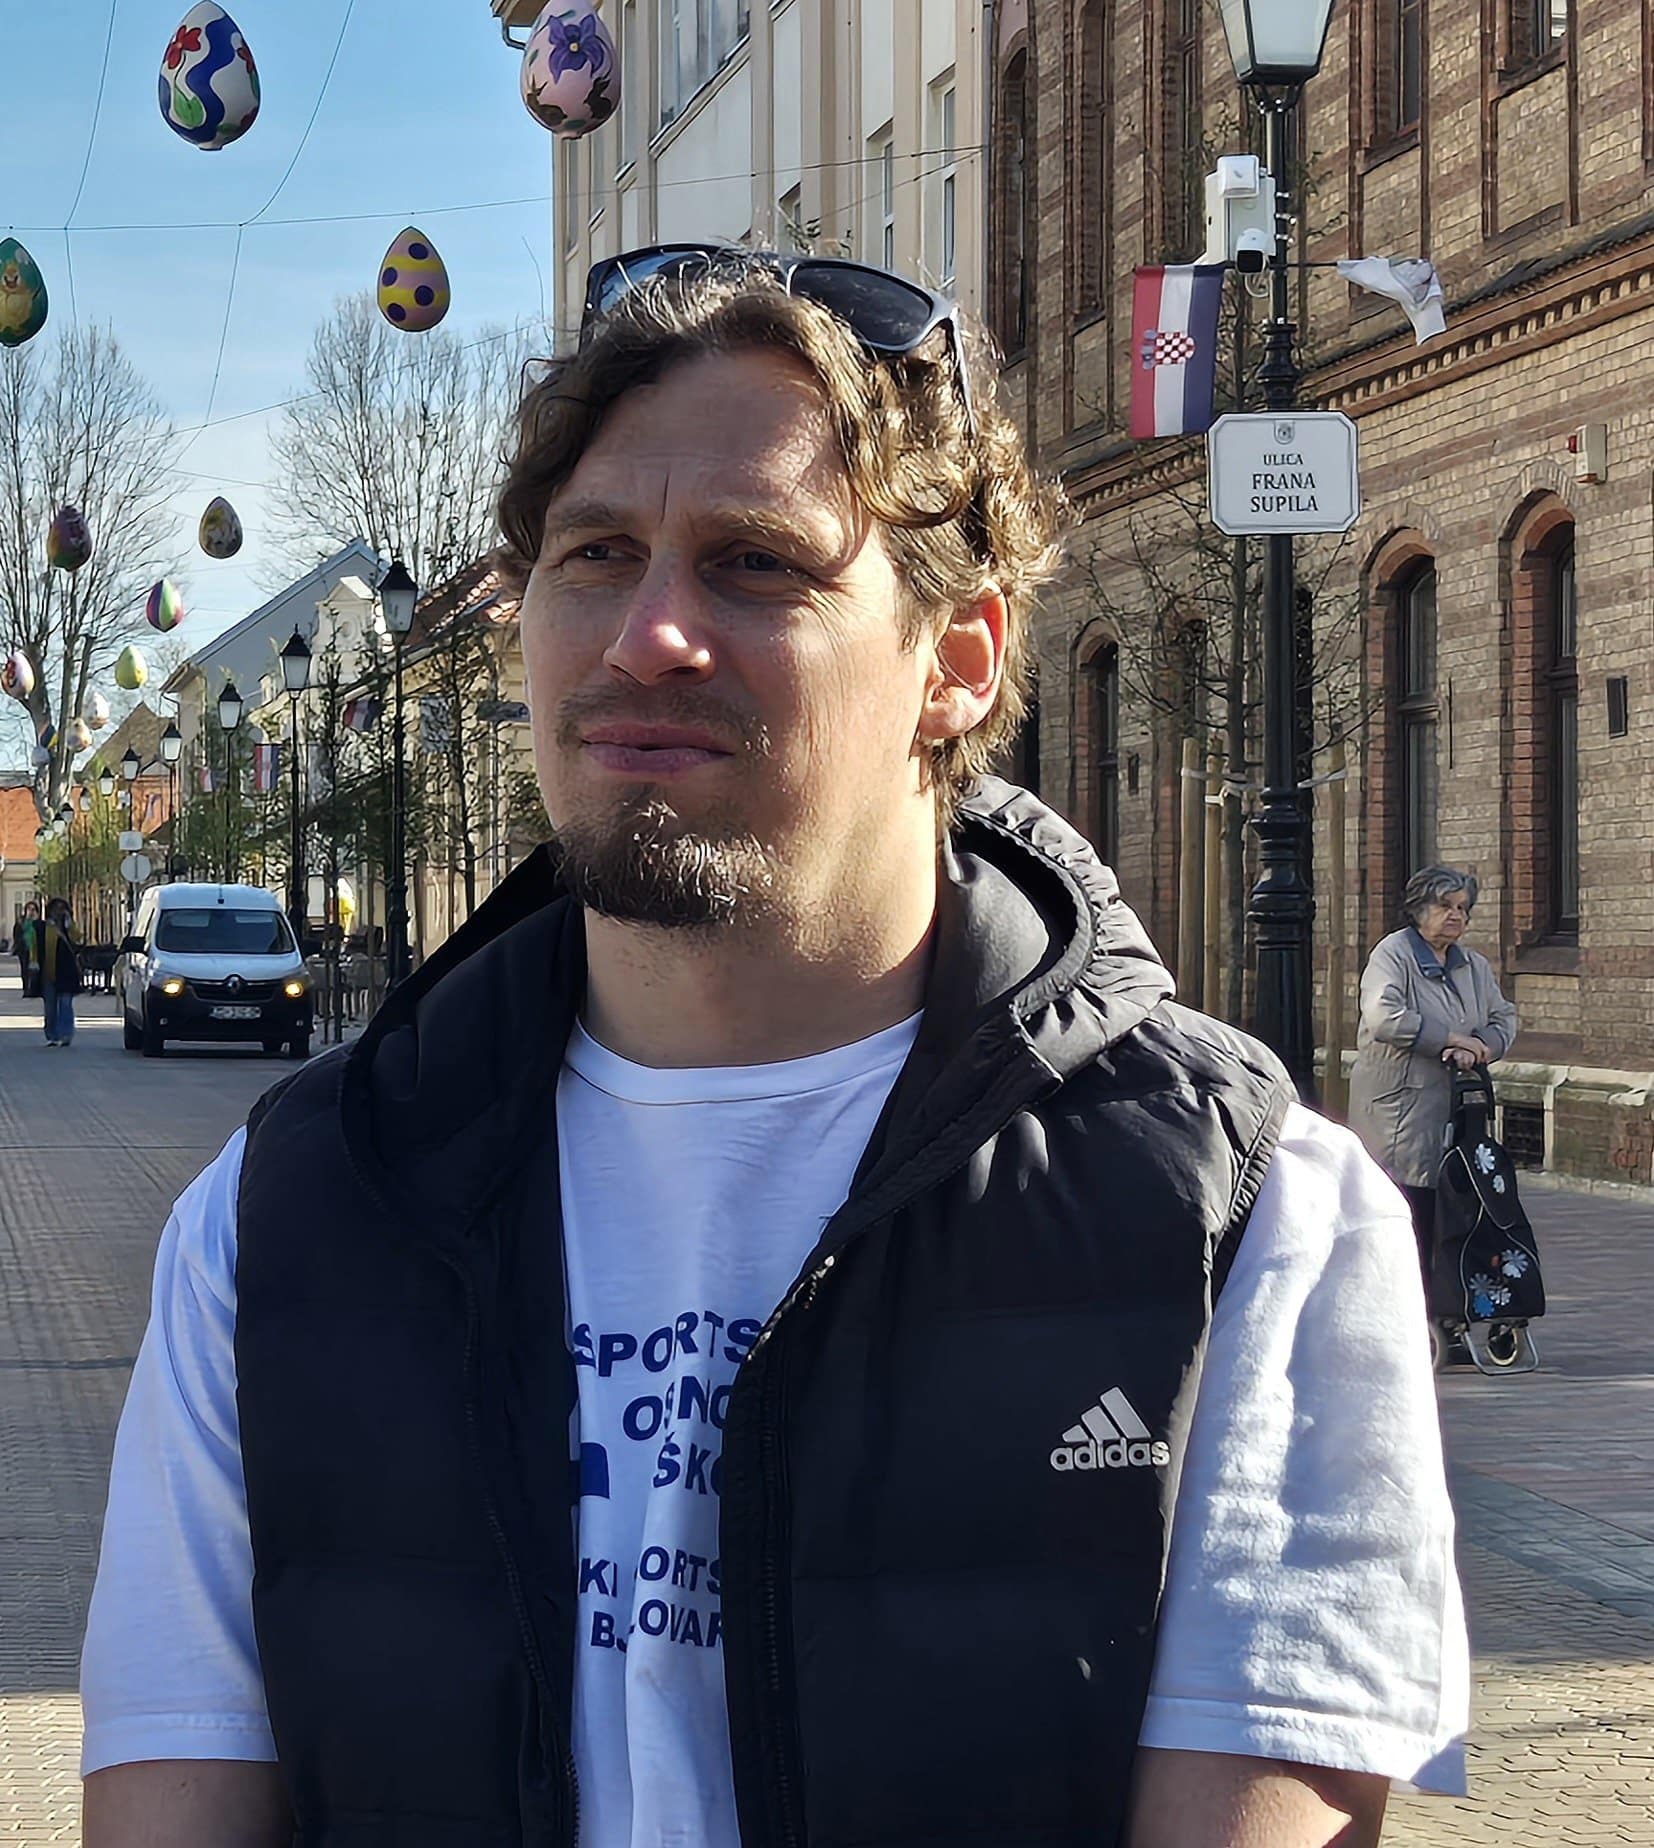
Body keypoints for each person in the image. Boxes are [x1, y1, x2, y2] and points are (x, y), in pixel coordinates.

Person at [81, 250, 1467, 1848]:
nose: (648, 634)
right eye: (594, 556)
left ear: (955, 663)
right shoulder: (288, 1220)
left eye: (755, 563)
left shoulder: (1247, 1220)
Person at [1348, 864, 1519, 1284]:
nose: (1456, 915)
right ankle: (1401, 1297)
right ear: (1418, 908)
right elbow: (1384, 1016)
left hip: (1456, 1109)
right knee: (1407, 1207)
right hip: (1400, 1111)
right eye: (1445, 906)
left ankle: (1444, 1297)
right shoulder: (1393, 955)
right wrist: (1449, 1039)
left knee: (1454, 1204)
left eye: (1462, 908)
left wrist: (1481, 1046)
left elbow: (1503, 1016)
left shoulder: (1473, 965)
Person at [39, 896, 80, 1048]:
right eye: (56, 909)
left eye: (62, 909)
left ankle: (66, 1034)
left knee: (65, 1004)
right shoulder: (45, 928)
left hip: (67, 972)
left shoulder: (68, 927)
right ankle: (52, 1035)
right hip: (49, 971)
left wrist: (70, 924)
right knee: (50, 1006)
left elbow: (77, 939)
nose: (59, 912)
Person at [12, 898, 42, 996]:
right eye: (29, 909)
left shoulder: (38, 922)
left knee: (36, 969)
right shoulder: (21, 922)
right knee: (25, 969)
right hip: (24, 948)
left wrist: (35, 921)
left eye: (33, 909)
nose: (31, 911)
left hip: (35, 948)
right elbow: (17, 933)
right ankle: (26, 988)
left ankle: (35, 989)